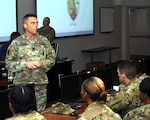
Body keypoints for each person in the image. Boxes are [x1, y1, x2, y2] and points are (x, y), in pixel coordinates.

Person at [5, 14, 56, 111]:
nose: (36, 25)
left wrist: (42, 63)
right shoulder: (16, 43)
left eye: (36, 23)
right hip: (23, 86)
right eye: (32, 23)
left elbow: (52, 59)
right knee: (23, 115)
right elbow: (8, 63)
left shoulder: (44, 41)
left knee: (41, 113)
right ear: (25, 25)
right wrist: (24, 64)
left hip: (40, 84)